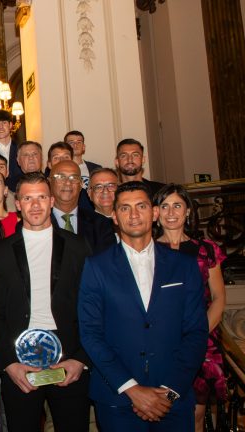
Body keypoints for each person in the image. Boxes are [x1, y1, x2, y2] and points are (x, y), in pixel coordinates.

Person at [78, 181, 208, 431]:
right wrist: (132, 390)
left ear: (155, 212)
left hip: (173, 398)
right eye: (125, 208)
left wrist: (168, 394)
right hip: (118, 399)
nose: (134, 215)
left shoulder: (184, 265)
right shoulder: (96, 267)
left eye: (141, 206)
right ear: (115, 217)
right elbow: (90, 333)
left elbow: (196, 332)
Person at [0, 172, 92, 432]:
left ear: (52, 201)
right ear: (18, 204)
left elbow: (93, 308)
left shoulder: (78, 247)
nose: (35, 205)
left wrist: (80, 358)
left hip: (69, 357)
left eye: (42, 197)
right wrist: (8, 362)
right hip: (19, 359)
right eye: (28, 198)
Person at [152, 184, 227, 431]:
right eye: (164, 206)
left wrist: (197, 334)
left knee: (196, 413)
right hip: (160, 343)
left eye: (177, 205)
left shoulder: (206, 249)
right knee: (164, 408)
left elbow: (218, 298)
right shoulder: (147, 251)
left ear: (187, 211)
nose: (171, 212)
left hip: (201, 342)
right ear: (156, 213)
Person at [50, 160, 116, 254]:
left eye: (74, 177)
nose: (68, 182)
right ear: (49, 182)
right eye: (61, 177)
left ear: (81, 184)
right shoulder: (38, 222)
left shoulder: (100, 224)